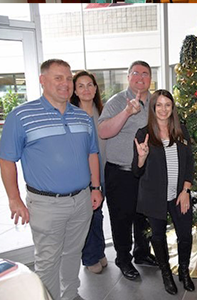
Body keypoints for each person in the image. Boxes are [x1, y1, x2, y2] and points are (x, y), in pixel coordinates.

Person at [0, 59, 103, 300]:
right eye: (58, 78)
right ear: (42, 80)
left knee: (72, 253)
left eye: (68, 78)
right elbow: (6, 160)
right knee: (47, 260)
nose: (65, 83)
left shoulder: (83, 117)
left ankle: (69, 295)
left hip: (81, 200)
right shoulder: (21, 116)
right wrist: (14, 199)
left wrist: (95, 188)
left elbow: (92, 154)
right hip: (46, 204)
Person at [98, 61, 157, 281]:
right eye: (136, 73)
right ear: (128, 77)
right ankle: (123, 259)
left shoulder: (156, 102)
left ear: (150, 78)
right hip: (121, 172)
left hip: (147, 172)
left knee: (144, 216)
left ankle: (142, 253)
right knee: (122, 218)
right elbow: (103, 132)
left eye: (146, 73)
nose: (141, 77)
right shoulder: (117, 101)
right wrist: (126, 112)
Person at [132, 90, 195, 295]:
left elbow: (189, 164)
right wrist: (141, 157)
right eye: (159, 105)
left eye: (167, 104)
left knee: (185, 235)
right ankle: (166, 274)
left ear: (173, 108)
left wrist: (186, 190)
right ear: (152, 108)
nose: (163, 109)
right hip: (154, 196)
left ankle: (184, 272)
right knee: (158, 237)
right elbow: (136, 171)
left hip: (179, 194)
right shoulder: (144, 134)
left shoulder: (181, 131)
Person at [71, 70, 107, 274]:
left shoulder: (102, 111)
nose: (86, 89)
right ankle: (90, 256)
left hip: (104, 173)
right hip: (84, 176)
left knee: (99, 215)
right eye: (81, 86)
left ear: (95, 88)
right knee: (89, 216)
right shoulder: (71, 113)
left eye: (90, 85)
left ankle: (99, 251)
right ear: (75, 90)